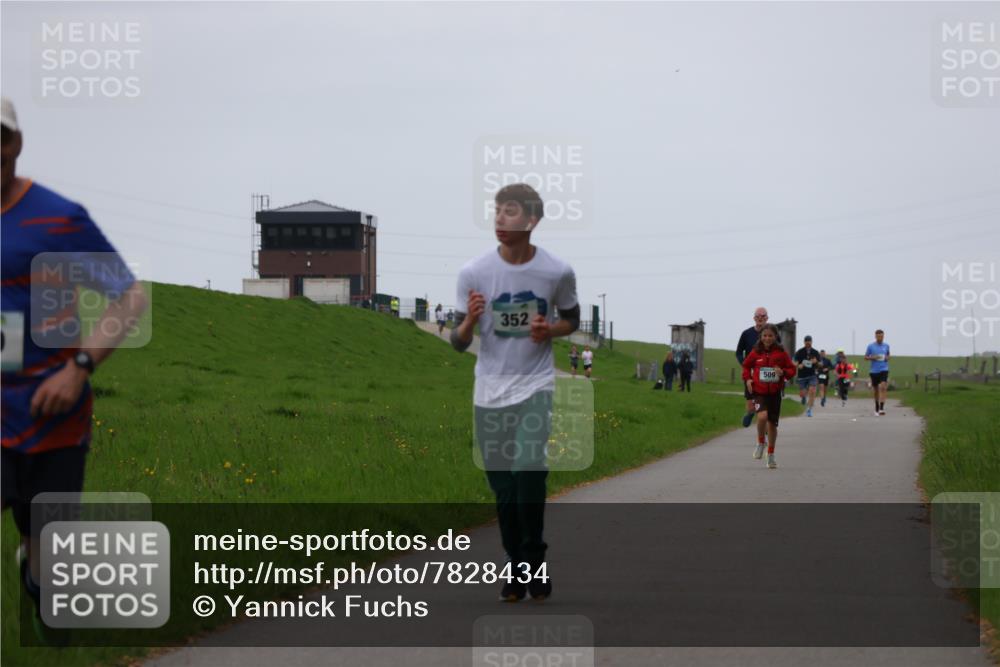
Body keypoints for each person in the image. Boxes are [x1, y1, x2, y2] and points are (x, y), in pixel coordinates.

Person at [0, 98, 149, 639]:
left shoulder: (59, 219)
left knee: (51, 573)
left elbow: (129, 298)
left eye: (1, 137)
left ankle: (43, 586)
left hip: (50, 414)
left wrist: (79, 367)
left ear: (16, 143)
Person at [451, 183, 579, 602]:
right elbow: (456, 341)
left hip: (535, 385)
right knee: (504, 490)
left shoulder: (556, 271)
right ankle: (515, 561)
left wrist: (551, 329)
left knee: (528, 469)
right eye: (496, 211)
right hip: (489, 391)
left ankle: (534, 558)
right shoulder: (473, 272)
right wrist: (469, 322)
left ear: (531, 220)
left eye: (509, 212)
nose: (499, 220)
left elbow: (572, 320)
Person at [741, 324, 796, 469]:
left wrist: (783, 372)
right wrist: (748, 379)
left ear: (775, 337)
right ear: (761, 337)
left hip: (774, 394)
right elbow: (746, 366)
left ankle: (771, 455)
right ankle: (760, 442)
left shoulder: (781, 353)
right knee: (761, 417)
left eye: (770, 335)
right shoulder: (755, 352)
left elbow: (792, 369)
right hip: (759, 392)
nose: (767, 338)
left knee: (772, 424)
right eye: (764, 335)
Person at [736, 307, 774, 427]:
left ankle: (765, 430)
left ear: (767, 318)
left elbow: (780, 351)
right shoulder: (746, 334)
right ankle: (751, 413)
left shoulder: (773, 334)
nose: (760, 318)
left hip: (767, 373)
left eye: (763, 316)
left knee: (765, 407)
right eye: (758, 316)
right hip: (751, 373)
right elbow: (738, 352)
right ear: (754, 318)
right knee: (751, 407)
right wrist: (745, 364)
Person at [793, 335, 821, 417]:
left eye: (809, 341)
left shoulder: (815, 352)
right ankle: (803, 397)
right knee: (803, 393)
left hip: (812, 375)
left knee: (812, 391)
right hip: (802, 376)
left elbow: (820, 364)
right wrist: (798, 365)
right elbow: (794, 362)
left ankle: (809, 409)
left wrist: (816, 362)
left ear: (811, 342)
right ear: (804, 342)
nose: (808, 342)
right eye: (806, 341)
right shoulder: (799, 352)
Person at [864, 329, 891, 416]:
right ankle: (876, 406)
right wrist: (872, 358)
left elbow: (888, 355)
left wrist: (887, 357)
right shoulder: (871, 346)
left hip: (884, 369)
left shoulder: (886, 346)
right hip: (874, 371)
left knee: (883, 387)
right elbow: (865, 357)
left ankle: (882, 408)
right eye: (879, 336)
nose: (880, 338)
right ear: (875, 336)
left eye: (882, 336)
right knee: (876, 390)